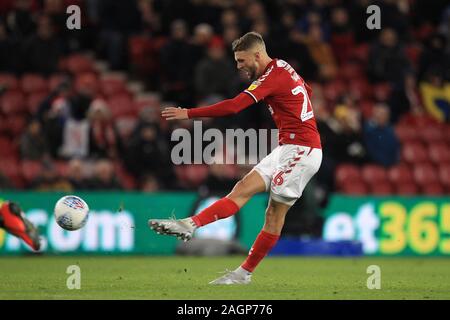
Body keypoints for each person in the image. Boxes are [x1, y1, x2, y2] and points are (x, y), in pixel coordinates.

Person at [149, 32, 322, 285]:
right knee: (241, 189)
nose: (239, 66)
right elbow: (306, 89)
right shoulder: (283, 66)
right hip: (287, 146)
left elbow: (233, 106)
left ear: (257, 55)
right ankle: (190, 224)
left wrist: (188, 113)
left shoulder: (272, 76)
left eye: (242, 61)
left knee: (274, 214)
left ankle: (244, 273)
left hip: (302, 149)